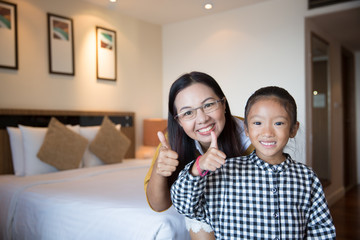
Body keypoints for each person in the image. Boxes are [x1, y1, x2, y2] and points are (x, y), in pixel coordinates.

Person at [170, 86, 336, 239]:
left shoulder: (307, 177)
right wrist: (198, 167)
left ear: (293, 129)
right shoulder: (225, 171)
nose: (267, 132)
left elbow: (321, 230)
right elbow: (184, 206)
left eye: (278, 123)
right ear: (247, 129)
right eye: (258, 123)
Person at [144, 71, 253, 239]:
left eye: (209, 105)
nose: (202, 119)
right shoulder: (170, 143)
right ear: (178, 121)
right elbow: (159, 205)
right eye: (188, 113)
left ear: (224, 104)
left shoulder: (251, 135)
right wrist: (159, 170)